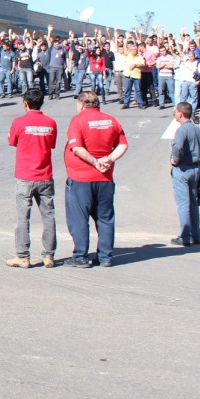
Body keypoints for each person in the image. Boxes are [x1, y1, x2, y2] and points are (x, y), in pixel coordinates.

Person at [63, 90, 129, 268]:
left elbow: (77, 148)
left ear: (82, 105)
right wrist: (109, 159)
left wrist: (94, 162)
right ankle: (105, 256)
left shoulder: (78, 120)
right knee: (105, 217)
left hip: (81, 177)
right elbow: (123, 144)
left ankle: (80, 255)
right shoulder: (111, 120)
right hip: (105, 178)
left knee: (79, 218)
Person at [6, 89, 58, 269]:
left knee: (23, 217)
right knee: (48, 216)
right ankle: (48, 255)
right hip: (45, 176)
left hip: (25, 176)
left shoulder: (19, 122)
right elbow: (51, 144)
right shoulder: (50, 123)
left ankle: (23, 255)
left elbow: (12, 141)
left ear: (25, 103)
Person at [169, 102, 200, 246]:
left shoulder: (182, 130)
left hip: (183, 170)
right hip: (196, 169)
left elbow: (177, 147)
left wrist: (174, 160)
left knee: (183, 204)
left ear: (180, 113)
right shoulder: (195, 129)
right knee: (193, 203)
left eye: (176, 111)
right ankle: (196, 234)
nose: (175, 113)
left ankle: (184, 236)